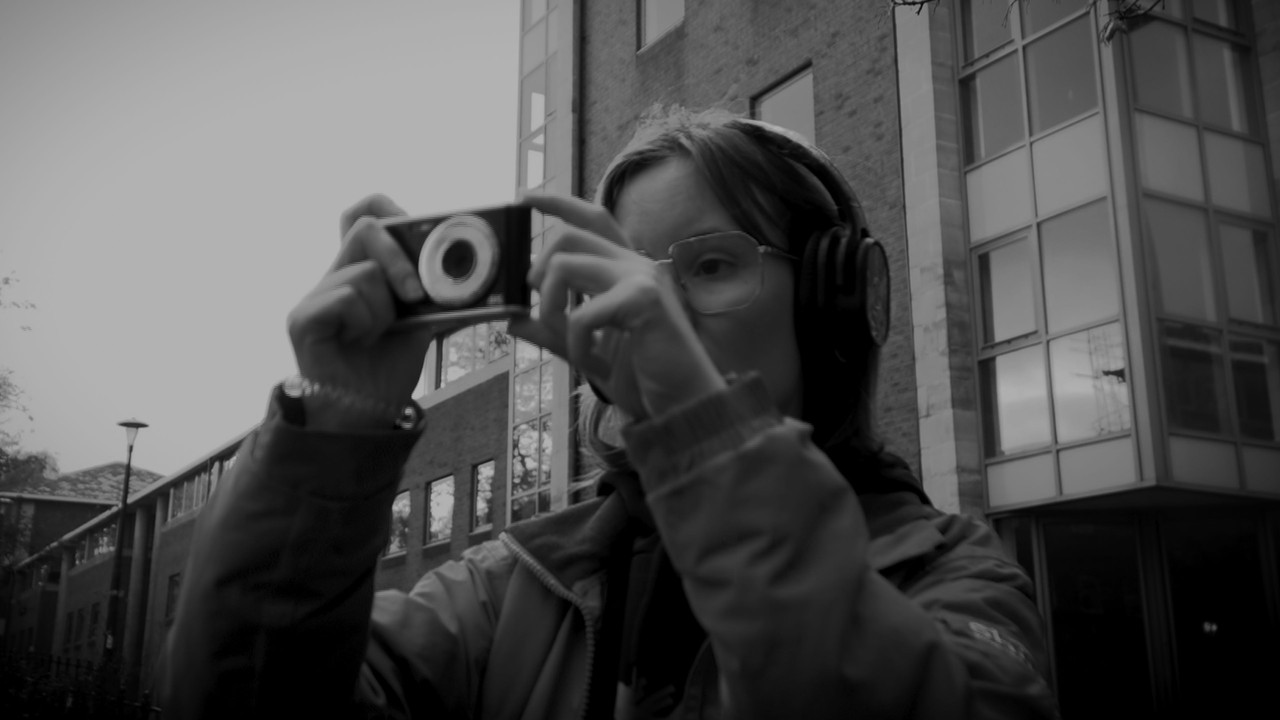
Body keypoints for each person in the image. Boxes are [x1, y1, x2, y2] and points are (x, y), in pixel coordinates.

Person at [159, 108, 1058, 719]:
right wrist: (336, 427)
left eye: (709, 264)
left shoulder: (958, 578)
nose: (648, 309)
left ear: (830, 304)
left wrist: (698, 423)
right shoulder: (510, 590)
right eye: (628, 270)